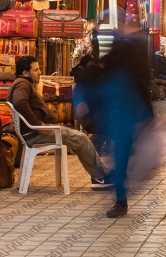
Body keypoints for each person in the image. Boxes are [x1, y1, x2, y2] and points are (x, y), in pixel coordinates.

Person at [74, 38, 156, 218]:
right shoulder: (128, 76)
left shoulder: (112, 75)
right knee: (122, 161)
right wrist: (148, 121)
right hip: (121, 123)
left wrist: (81, 105)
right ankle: (121, 195)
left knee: (121, 161)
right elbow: (143, 100)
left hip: (118, 123)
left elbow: (84, 90)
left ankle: (120, 197)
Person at [8, 55, 114, 188]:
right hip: (37, 133)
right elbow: (19, 102)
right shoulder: (23, 83)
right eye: (36, 70)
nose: (40, 72)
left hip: (36, 131)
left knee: (80, 139)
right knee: (81, 138)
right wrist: (37, 124)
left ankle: (100, 175)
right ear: (25, 73)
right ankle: (101, 177)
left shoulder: (21, 83)